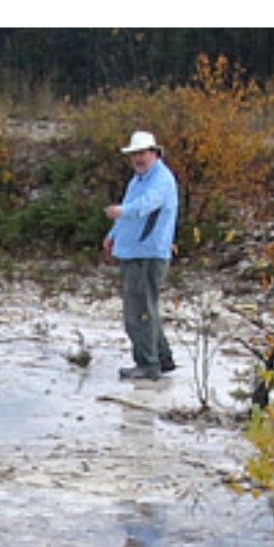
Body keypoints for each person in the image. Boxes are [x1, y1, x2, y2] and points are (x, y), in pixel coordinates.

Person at [103, 130, 178, 381]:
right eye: (134, 154)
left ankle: (148, 364)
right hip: (131, 250)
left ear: (155, 153)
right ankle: (162, 357)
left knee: (139, 312)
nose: (138, 158)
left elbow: (144, 206)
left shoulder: (162, 180)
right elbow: (129, 210)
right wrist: (113, 234)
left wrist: (120, 212)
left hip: (148, 254)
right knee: (146, 307)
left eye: (142, 153)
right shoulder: (137, 180)